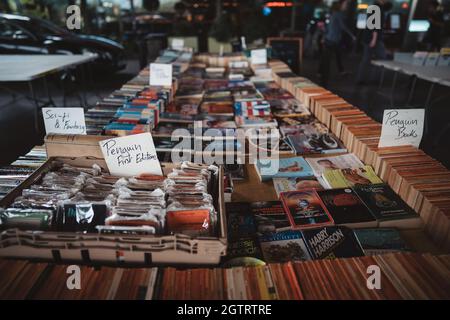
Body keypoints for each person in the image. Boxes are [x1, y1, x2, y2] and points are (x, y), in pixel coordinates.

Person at [318, 0, 356, 87]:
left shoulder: (333, 13)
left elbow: (328, 28)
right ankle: (324, 83)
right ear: (340, 5)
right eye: (346, 4)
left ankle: (323, 78)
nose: (346, 6)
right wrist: (352, 35)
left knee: (327, 60)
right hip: (332, 41)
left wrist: (324, 34)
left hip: (330, 40)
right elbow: (343, 27)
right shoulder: (338, 14)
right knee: (327, 62)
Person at [356, 0, 392, 85]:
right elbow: (375, 25)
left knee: (366, 59)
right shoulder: (378, 8)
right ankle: (374, 79)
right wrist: (374, 39)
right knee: (382, 58)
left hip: (369, 37)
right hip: (373, 38)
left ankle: (361, 79)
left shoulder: (373, 7)